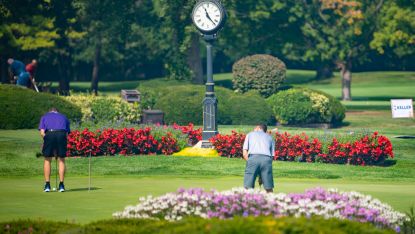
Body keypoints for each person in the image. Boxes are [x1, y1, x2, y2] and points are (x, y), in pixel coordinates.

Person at [38, 107, 71, 192]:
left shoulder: (44, 116)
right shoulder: (64, 117)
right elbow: (67, 133)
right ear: (57, 111)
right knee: (61, 159)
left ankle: (47, 185)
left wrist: (47, 140)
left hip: (50, 134)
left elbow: (42, 132)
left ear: (50, 111)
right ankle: (61, 185)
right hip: (61, 134)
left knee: (47, 159)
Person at [242, 124, 275, 193]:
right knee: (268, 187)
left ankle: (248, 202)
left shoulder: (250, 134)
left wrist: (250, 162)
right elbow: (272, 156)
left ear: (258, 128)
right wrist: (261, 174)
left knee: (248, 186)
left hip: (253, 157)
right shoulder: (270, 137)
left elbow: (245, 152)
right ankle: (271, 202)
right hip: (267, 159)